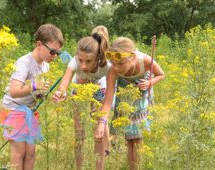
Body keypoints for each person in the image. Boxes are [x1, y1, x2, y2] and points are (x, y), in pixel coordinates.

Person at [0, 23, 64, 170]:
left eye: (58, 53)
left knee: (31, 152)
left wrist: (45, 95)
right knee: (19, 152)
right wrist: (34, 86)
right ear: (39, 44)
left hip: (29, 111)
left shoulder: (45, 65)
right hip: (13, 109)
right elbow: (14, 91)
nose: (55, 56)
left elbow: (37, 92)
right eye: (53, 52)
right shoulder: (24, 63)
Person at [95, 37, 165, 170]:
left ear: (132, 57)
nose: (116, 67)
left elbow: (161, 74)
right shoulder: (113, 71)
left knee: (137, 139)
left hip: (141, 100)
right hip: (124, 100)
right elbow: (108, 100)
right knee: (128, 139)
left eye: (120, 64)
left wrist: (150, 83)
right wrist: (101, 123)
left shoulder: (145, 60)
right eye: (113, 63)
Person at [52, 25, 110, 170]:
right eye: (81, 60)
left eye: (88, 61)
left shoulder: (106, 66)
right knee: (79, 134)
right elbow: (64, 83)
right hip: (79, 89)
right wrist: (61, 92)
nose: (83, 66)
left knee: (98, 133)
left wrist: (103, 121)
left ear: (97, 58)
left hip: (98, 89)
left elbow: (109, 94)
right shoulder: (74, 61)